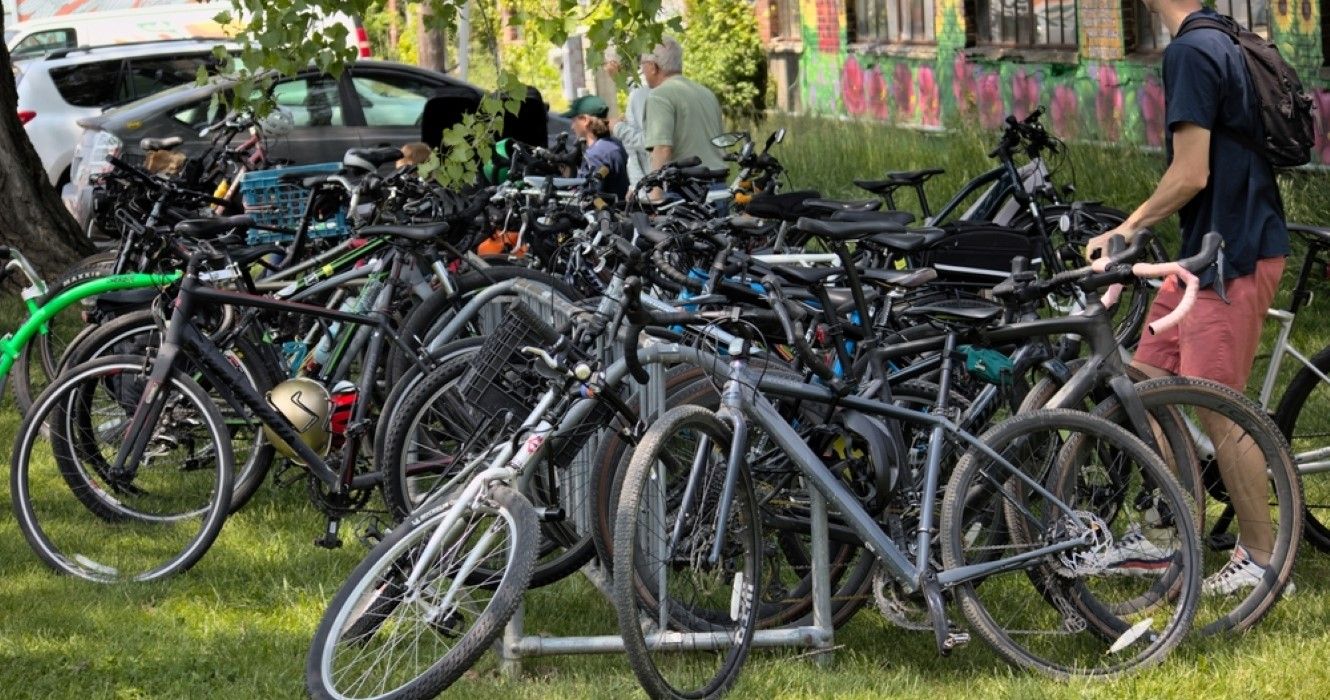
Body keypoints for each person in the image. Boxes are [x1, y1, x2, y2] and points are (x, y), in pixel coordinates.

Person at [1084, 1, 1291, 596]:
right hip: (1202, 255)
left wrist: (1128, 228)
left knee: (1221, 414)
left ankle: (1261, 561)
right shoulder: (1219, 34)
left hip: (1233, 259)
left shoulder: (1191, 51)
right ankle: (1175, 534)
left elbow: (1190, 172)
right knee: (1143, 383)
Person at [640, 37, 726, 176]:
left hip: (687, 188)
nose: (642, 71)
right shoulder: (707, 93)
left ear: (653, 67)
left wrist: (655, 194)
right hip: (719, 184)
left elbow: (662, 148)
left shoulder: (659, 96)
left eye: (642, 65)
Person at [562, 94, 630, 198]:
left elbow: (591, 196)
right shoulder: (615, 143)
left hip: (606, 211)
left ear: (585, 120)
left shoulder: (596, 154)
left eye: (574, 120)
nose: (572, 126)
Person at [604, 49, 652, 188]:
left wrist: (618, 128)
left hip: (649, 186)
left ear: (614, 64)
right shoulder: (638, 89)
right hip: (645, 184)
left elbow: (650, 143)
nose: (605, 69)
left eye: (605, 64)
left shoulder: (639, 92)